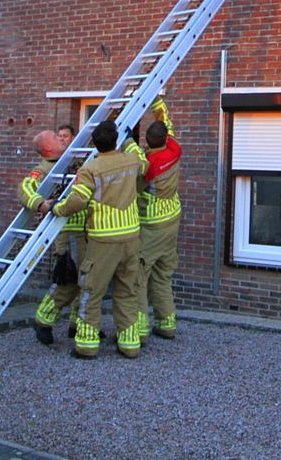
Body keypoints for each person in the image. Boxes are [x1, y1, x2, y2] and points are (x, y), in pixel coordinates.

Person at [47, 120, 147, 359]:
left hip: (103, 241)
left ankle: (87, 345)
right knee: (127, 291)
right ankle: (130, 344)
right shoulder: (131, 160)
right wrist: (129, 138)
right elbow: (144, 163)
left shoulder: (90, 169)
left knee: (91, 291)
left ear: (93, 143)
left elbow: (78, 201)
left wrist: (56, 209)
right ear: (115, 141)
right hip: (131, 238)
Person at [18, 130, 89, 346]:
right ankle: (43, 320)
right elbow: (24, 189)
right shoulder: (43, 170)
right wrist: (40, 204)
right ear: (48, 148)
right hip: (67, 235)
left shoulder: (73, 162)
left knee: (86, 281)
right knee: (69, 282)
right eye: (56, 138)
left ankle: (77, 324)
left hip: (86, 231)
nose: (62, 138)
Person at [136, 96, 183, 341]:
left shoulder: (149, 164)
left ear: (147, 141)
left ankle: (141, 331)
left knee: (139, 277)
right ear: (166, 139)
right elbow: (166, 120)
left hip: (152, 224)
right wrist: (155, 99)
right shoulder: (175, 149)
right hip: (172, 218)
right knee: (163, 275)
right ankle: (167, 324)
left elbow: (132, 189)